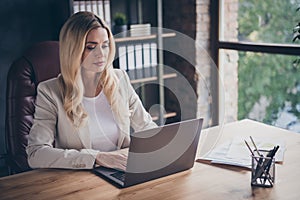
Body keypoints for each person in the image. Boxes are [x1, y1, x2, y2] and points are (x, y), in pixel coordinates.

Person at [26, 11, 157, 171]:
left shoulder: (119, 79)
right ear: (73, 50)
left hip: (123, 171)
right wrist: (97, 157)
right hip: (81, 178)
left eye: (105, 45)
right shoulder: (50, 92)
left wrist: (165, 146)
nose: (101, 54)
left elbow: (146, 127)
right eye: (91, 47)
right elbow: (36, 153)